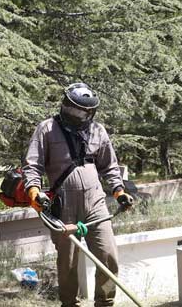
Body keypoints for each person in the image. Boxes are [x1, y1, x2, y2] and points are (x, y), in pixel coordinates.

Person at [23, 82, 133, 307]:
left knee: (108, 257)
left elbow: (109, 167)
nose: (71, 112)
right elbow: (32, 166)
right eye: (69, 106)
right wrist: (33, 190)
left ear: (89, 112)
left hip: (96, 203)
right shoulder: (47, 128)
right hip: (64, 207)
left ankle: (105, 303)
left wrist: (118, 190)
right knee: (68, 264)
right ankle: (70, 304)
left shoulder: (97, 131)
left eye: (78, 110)